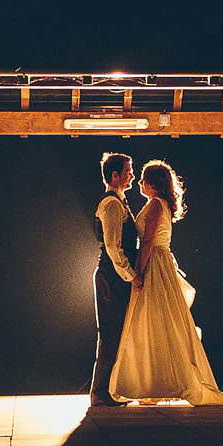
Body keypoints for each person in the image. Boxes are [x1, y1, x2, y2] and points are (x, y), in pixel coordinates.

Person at [107, 159, 223, 405]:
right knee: (160, 323)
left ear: (153, 184)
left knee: (151, 321)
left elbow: (149, 241)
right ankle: (157, 381)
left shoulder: (154, 205)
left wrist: (138, 273)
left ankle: (160, 380)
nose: (139, 182)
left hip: (154, 263)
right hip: (160, 260)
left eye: (143, 178)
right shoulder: (160, 204)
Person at [89, 152, 138, 406]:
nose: (132, 174)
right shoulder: (110, 204)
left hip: (115, 277)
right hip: (111, 277)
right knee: (110, 333)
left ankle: (107, 390)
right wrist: (131, 276)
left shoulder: (120, 201)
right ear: (115, 175)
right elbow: (112, 246)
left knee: (116, 333)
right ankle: (100, 393)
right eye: (128, 170)